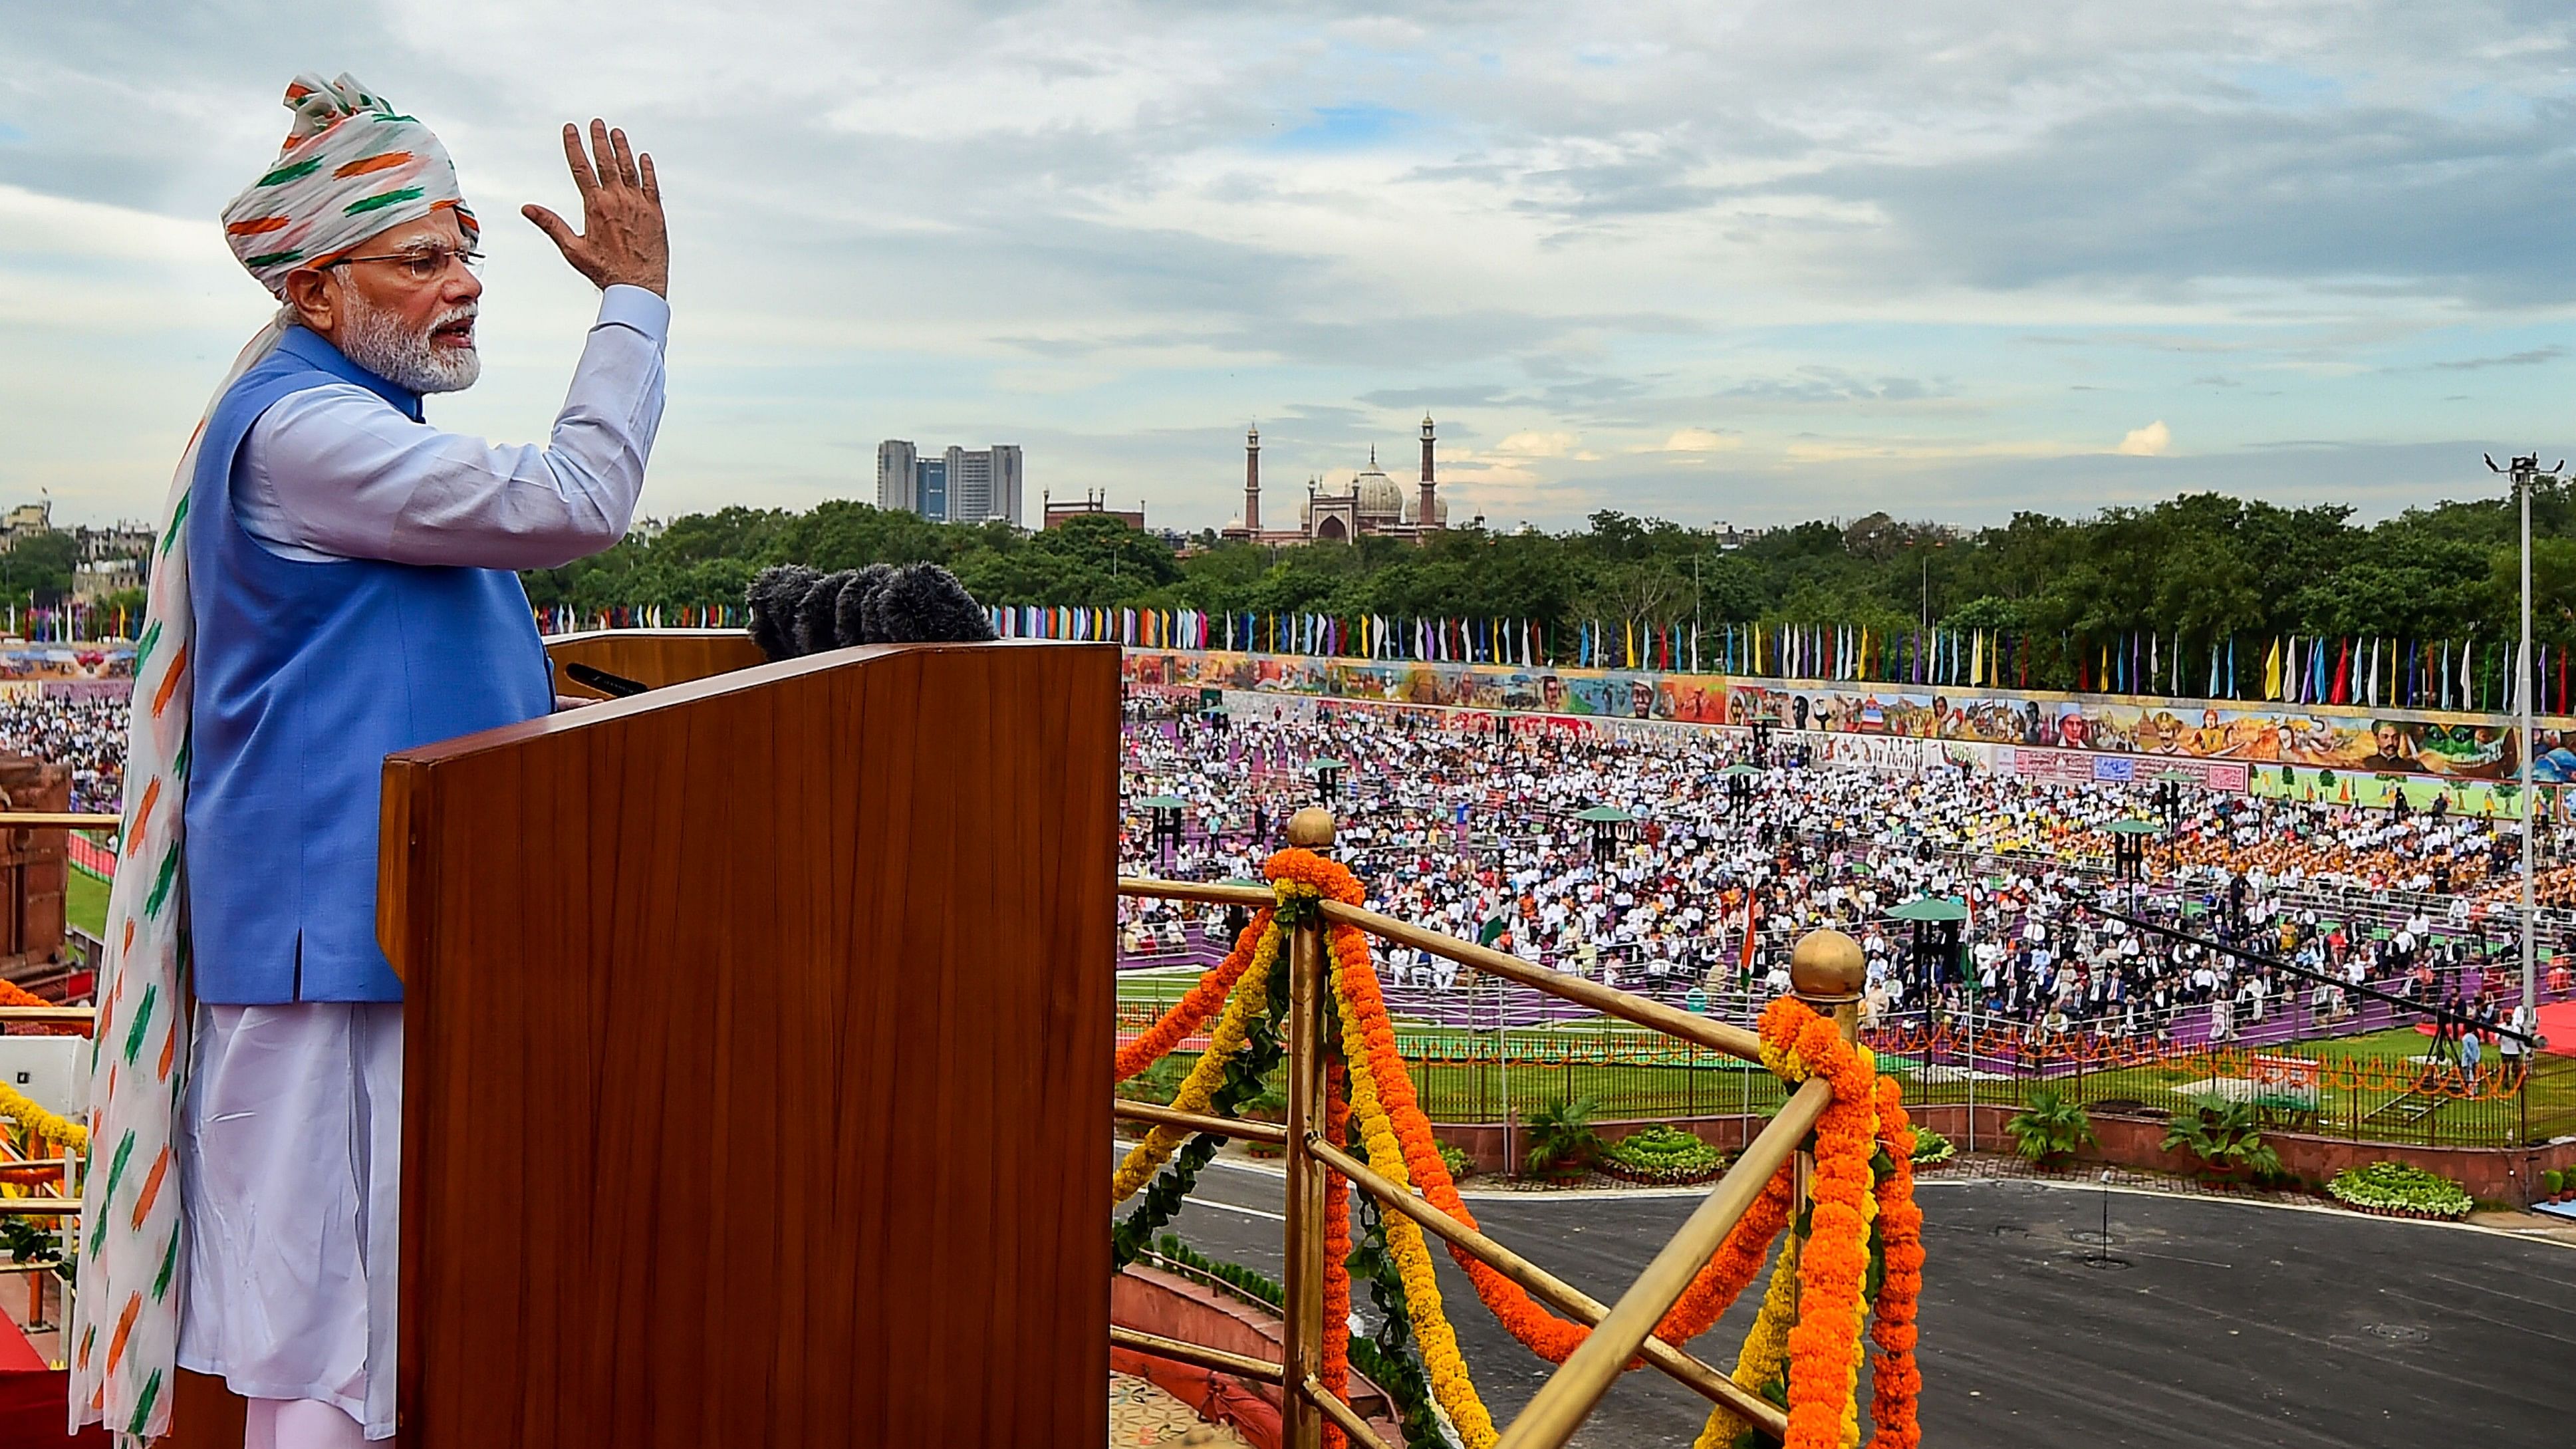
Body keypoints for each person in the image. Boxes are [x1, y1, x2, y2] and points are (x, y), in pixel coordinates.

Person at [72, 75, 670, 1448]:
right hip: (329, 949)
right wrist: (632, 304)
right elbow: (573, 501)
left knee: (372, 1330)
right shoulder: (304, 432)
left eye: (467, 252)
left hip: (385, 937)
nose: (462, 285)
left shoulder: (354, 425)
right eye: (421, 260)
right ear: (316, 292)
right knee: (328, 1345)